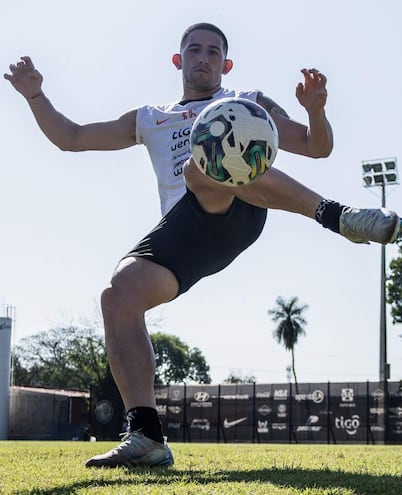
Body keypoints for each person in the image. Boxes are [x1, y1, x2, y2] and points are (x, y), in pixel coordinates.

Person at [5, 22, 400, 468]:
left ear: (226, 64)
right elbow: (71, 138)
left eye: (214, 52)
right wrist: (35, 96)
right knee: (119, 295)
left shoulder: (246, 102)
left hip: (241, 206)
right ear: (178, 60)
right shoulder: (151, 117)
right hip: (185, 232)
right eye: (195, 50)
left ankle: (339, 216)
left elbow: (315, 147)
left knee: (202, 163)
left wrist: (315, 110)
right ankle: (146, 436)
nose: (204, 58)